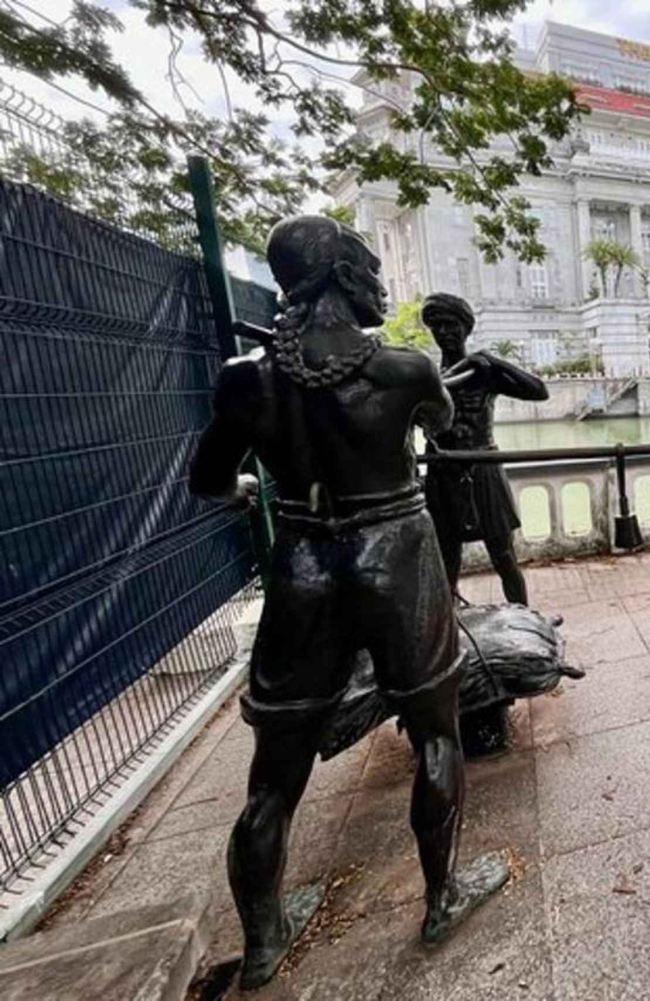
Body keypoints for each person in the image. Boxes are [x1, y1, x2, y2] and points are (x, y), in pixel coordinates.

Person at [189, 216, 504, 990]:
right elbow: (433, 425)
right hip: (394, 550)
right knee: (434, 729)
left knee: (273, 774)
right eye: (365, 264)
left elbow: (209, 481)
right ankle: (441, 894)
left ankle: (263, 942)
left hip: (302, 560)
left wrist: (252, 486)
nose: (379, 280)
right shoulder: (403, 369)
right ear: (336, 272)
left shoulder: (244, 376)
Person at [420, 293, 548, 604]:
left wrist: (494, 361)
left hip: (484, 469)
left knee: (503, 554)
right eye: (437, 326)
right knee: (447, 558)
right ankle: (450, 628)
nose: (445, 333)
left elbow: (539, 391)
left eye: (452, 325)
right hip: (444, 471)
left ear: (466, 328)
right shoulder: (426, 378)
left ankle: (524, 618)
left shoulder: (484, 374)